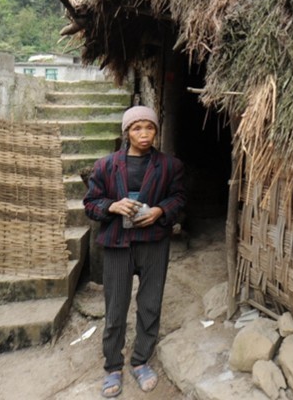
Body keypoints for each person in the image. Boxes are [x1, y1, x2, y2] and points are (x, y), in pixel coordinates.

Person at [83, 105, 186, 397]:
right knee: (115, 308)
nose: (144, 134)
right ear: (126, 132)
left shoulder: (169, 166)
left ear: (156, 130)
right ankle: (113, 365)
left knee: (150, 304)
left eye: (149, 127)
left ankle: (140, 360)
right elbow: (90, 203)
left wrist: (159, 210)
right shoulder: (105, 165)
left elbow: (179, 198)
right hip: (117, 243)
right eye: (136, 128)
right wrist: (112, 206)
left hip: (154, 242)